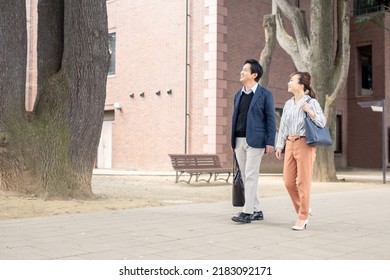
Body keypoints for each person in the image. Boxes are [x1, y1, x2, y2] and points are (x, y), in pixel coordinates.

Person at [275, 71, 326, 230]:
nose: (288, 83)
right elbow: (283, 125)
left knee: (303, 182)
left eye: (291, 80)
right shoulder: (288, 103)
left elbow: (322, 122)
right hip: (290, 143)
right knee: (289, 182)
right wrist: (279, 144)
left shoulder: (311, 102)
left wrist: (309, 111)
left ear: (301, 85)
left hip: (305, 144)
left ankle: (302, 216)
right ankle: (304, 209)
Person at [231, 59, 276, 223]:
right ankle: (257, 210)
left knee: (251, 175)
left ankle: (247, 212)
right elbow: (235, 118)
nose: (241, 72)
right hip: (238, 140)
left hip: (256, 141)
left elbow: (271, 119)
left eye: (245, 70)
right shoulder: (238, 94)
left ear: (254, 74)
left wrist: (270, 141)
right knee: (245, 176)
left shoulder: (265, 94)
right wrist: (233, 141)